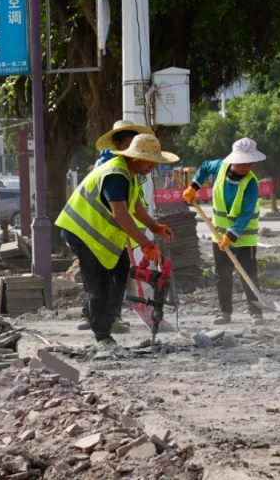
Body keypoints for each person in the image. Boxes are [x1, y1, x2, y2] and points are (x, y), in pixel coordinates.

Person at [56, 134, 175, 349]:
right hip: (82, 232)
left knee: (120, 274)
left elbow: (135, 206)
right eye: (150, 161)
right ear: (135, 158)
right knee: (99, 285)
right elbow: (121, 214)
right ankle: (102, 336)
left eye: (155, 162)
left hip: (99, 233)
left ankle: (110, 320)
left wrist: (153, 227)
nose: (153, 166)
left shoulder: (132, 173)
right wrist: (146, 243)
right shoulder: (116, 175)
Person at [183, 138, 266, 326]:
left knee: (248, 273)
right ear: (233, 160)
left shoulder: (251, 183)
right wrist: (193, 186)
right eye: (242, 162)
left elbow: (245, 214)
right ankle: (224, 312)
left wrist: (231, 235)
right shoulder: (221, 166)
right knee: (222, 273)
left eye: (250, 163)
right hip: (218, 233)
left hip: (243, 236)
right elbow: (204, 167)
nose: (246, 167)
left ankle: (256, 312)